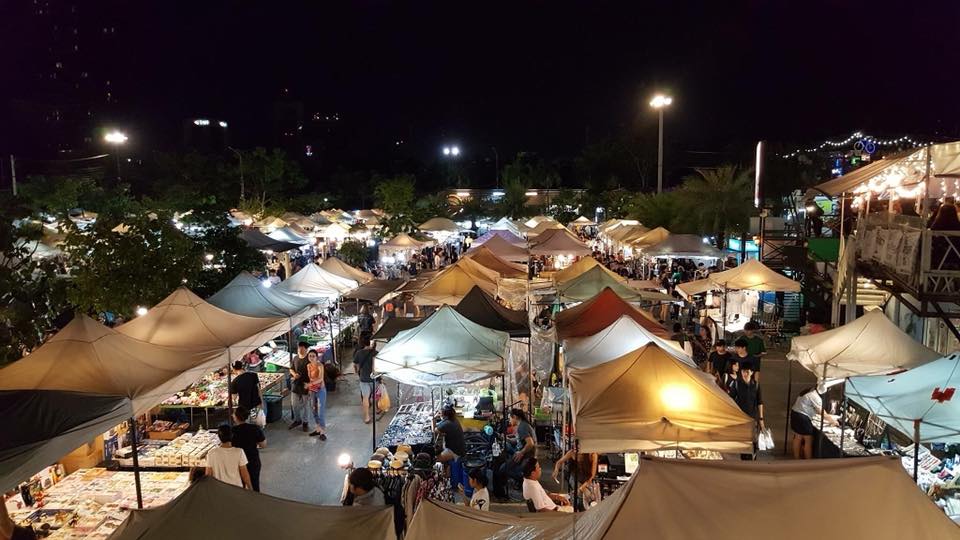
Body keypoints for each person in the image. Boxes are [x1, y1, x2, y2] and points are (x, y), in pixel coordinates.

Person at [493, 409, 537, 500]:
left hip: (526, 456)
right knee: (507, 445)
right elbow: (519, 441)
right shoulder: (523, 424)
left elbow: (530, 443)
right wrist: (508, 439)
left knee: (502, 469)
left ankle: (521, 478)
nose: (509, 420)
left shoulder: (522, 427)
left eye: (510, 418)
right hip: (521, 452)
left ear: (515, 417)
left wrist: (521, 453)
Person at [791, 388, 838, 459]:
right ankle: (808, 461)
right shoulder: (815, 397)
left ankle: (796, 458)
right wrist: (833, 421)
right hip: (803, 418)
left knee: (798, 437)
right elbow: (822, 413)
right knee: (808, 440)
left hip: (795, 413)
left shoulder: (809, 390)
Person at [730, 364, 764, 460]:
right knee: (743, 439)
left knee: (753, 439)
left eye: (747, 372)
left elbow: (760, 402)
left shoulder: (756, 385)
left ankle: (752, 457)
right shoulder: (737, 384)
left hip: (753, 417)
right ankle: (744, 459)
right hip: (741, 417)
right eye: (743, 371)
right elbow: (731, 399)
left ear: (752, 372)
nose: (745, 374)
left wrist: (761, 419)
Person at [230, 407, 266, 491]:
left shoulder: (232, 431)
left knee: (240, 485)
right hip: (253, 460)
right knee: (254, 484)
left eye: (233, 414)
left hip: (238, 462)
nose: (232, 415)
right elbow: (263, 445)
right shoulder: (255, 428)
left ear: (236, 417)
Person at [205, 424, 252, 489]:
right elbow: (244, 474)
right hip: (236, 488)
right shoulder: (239, 452)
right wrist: (250, 488)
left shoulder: (211, 453)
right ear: (232, 436)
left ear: (218, 437)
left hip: (219, 489)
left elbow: (208, 475)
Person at [353, 338, 376, 424]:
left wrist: (356, 371)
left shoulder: (359, 353)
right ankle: (378, 409)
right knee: (376, 395)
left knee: (365, 398)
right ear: (371, 343)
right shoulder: (375, 353)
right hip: (375, 378)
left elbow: (355, 364)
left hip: (364, 379)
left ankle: (367, 417)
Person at [288, 342, 310, 432]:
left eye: (302, 348)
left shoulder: (309, 359)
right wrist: (294, 374)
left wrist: (310, 384)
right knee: (294, 404)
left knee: (305, 405)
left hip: (306, 384)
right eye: (299, 348)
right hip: (296, 384)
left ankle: (305, 422)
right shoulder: (295, 358)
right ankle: (297, 420)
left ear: (306, 349)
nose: (300, 350)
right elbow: (291, 368)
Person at [306, 349, 327, 439]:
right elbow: (310, 378)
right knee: (313, 410)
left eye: (313, 356)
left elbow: (321, 379)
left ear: (317, 357)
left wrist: (310, 384)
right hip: (312, 390)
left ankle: (322, 431)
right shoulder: (308, 366)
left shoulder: (320, 366)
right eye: (310, 356)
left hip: (320, 390)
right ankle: (318, 428)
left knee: (320, 411)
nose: (311, 358)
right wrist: (310, 387)